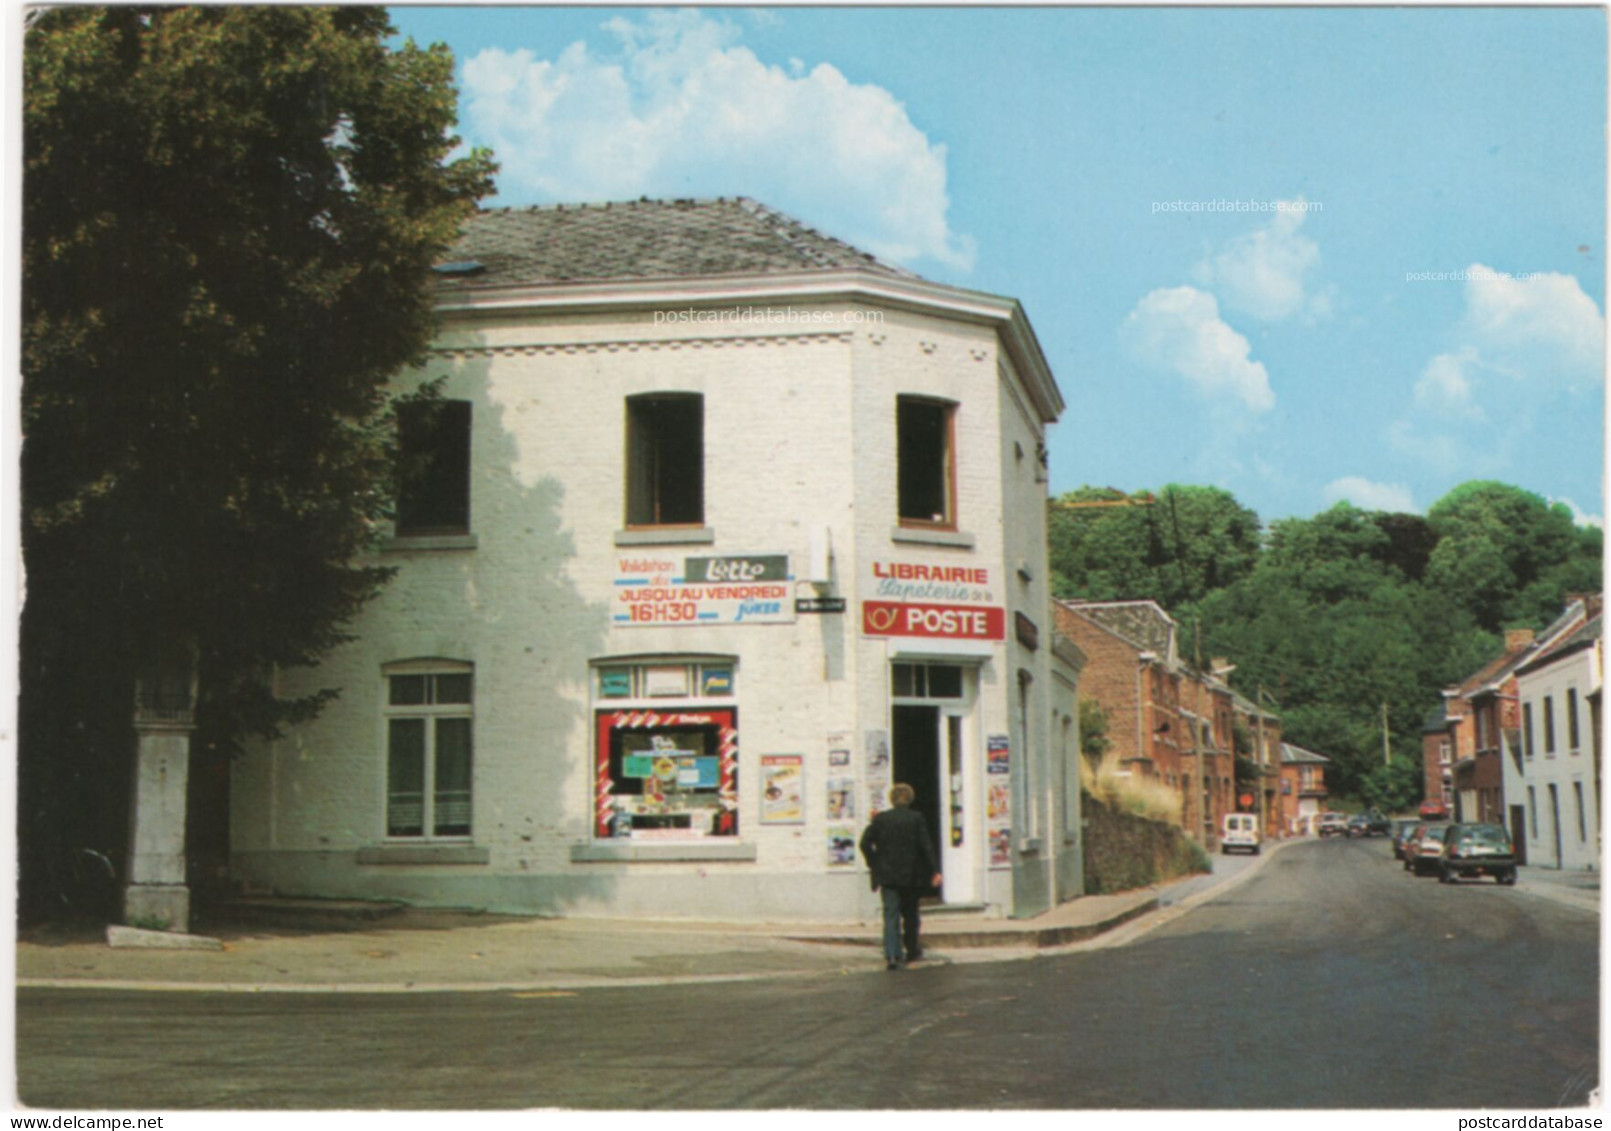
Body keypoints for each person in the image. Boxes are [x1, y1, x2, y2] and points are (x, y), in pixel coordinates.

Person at [859, 783, 942, 970]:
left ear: (892, 799)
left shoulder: (880, 819)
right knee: (911, 915)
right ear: (910, 799)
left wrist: (874, 862)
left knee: (890, 914)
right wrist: (935, 870)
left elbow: (864, 843)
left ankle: (892, 954)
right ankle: (911, 950)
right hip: (911, 876)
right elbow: (926, 845)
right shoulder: (916, 818)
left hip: (887, 875)